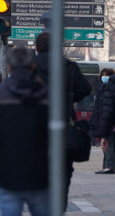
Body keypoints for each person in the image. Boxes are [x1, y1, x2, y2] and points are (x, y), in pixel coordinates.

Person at [0, 47, 49, 216]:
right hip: (41, 172)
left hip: (7, 172)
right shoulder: (48, 96)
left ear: (8, 67)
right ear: (33, 66)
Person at [33, 32, 91, 211]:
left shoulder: (30, 67)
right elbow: (85, 88)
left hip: (34, 131)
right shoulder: (68, 66)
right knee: (62, 174)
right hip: (62, 130)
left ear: (37, 47)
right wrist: (68, 97)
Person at [90, 68, 115, 174]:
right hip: (104, 121)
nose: (104, 78)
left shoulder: (109, 87)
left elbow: (107, 108)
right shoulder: (104, 87)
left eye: (106, 76)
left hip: (109, 122)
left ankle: (109, 167)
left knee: (110, 143)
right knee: (106, 143)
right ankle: (106, 166)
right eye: (103, 75)